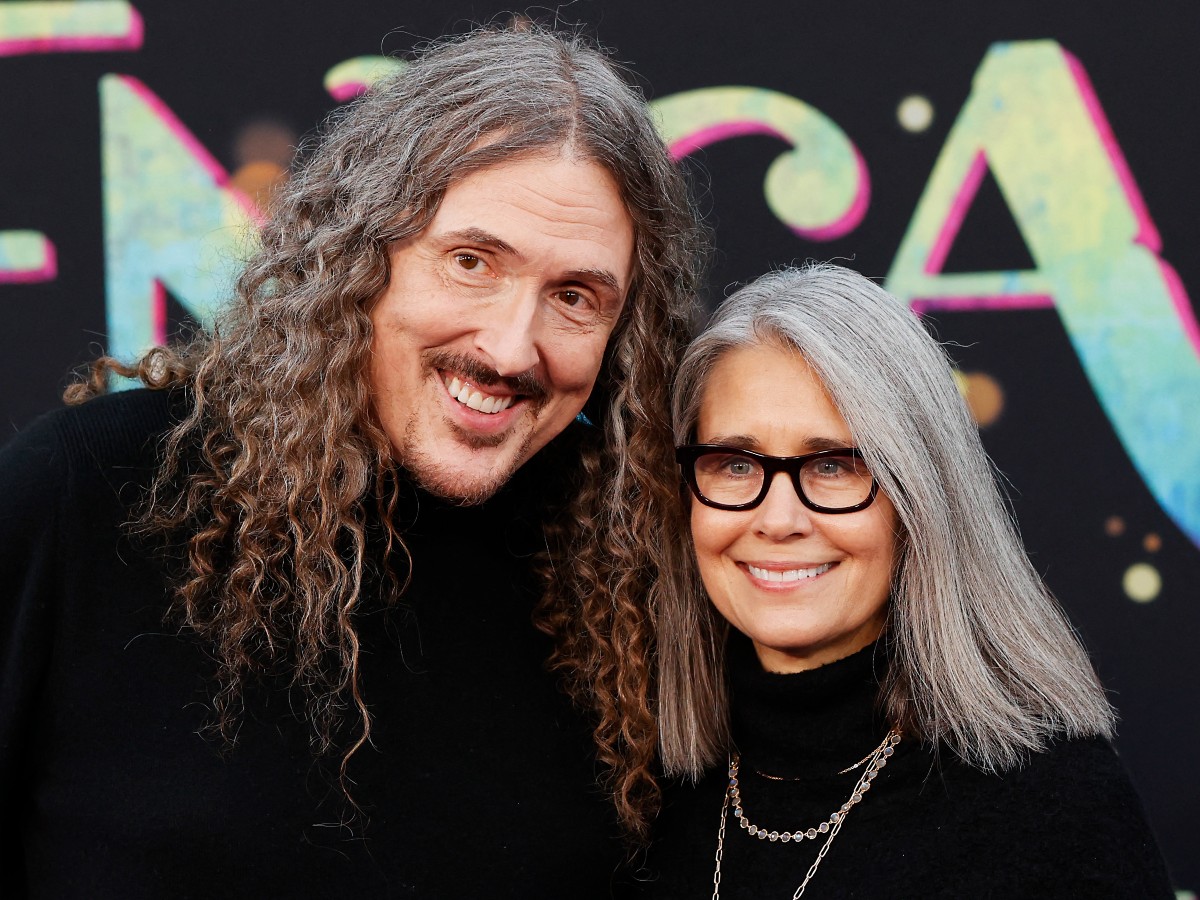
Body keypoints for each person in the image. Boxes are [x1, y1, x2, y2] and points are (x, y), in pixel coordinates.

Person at [0, 24, 705, 898]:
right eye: (471, 262)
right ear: (360, 256)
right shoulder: (86, 498)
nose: (511, 347)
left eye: (574, 297)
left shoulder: (634, 579)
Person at [637, 264, 1174, 897]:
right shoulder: (631, 785)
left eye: (835, 465)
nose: (777, 519)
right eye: (733, 462)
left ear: (918, 499)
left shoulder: (1051, 805)